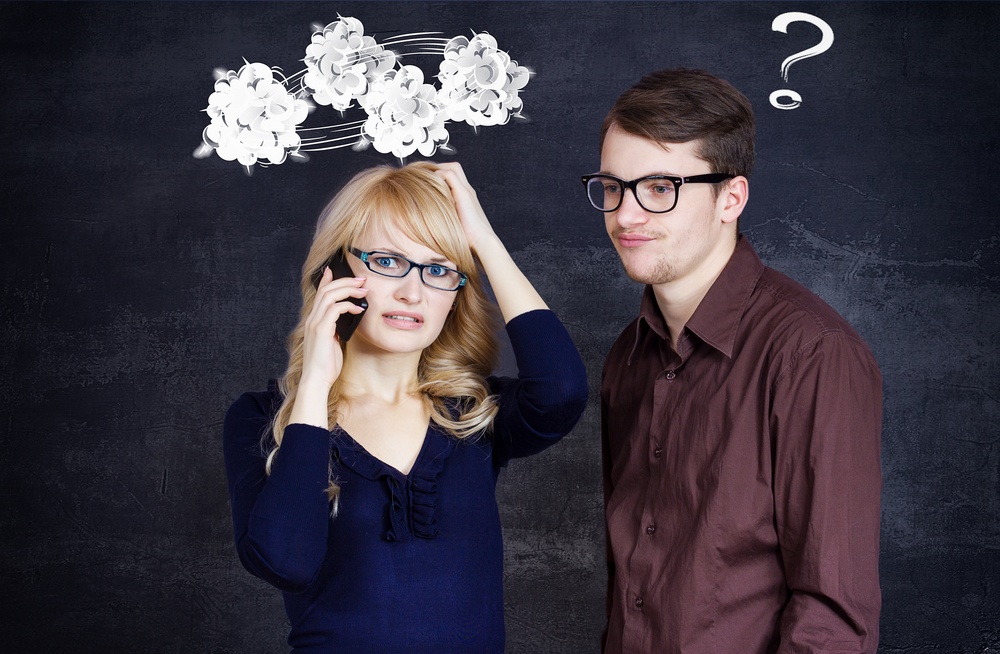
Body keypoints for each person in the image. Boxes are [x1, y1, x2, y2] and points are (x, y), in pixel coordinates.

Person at [223, 161, 587, 653]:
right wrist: (314, 386)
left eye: (438, 270)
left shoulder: (472, 413)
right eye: (388, 261)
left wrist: (482, 240)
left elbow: (562, 390)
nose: (412, 292)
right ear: (335, 271)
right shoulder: (264, 417)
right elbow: (286, 561)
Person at [589, 69, 882, 653]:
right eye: (613, 187)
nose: (625, 215)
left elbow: (833, 619)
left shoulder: (813, 354)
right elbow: (631, 587)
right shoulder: (628, 356)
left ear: (731, 198)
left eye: (659, 188)